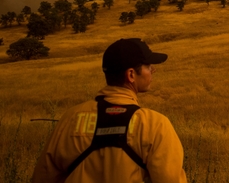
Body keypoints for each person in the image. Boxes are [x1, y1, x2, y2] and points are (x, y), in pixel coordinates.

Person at [32, 38, 187, 183]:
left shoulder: (70, 119)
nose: (152, 70)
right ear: (131, 75)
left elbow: (42, 177)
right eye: (148, 66)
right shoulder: (155, 125)